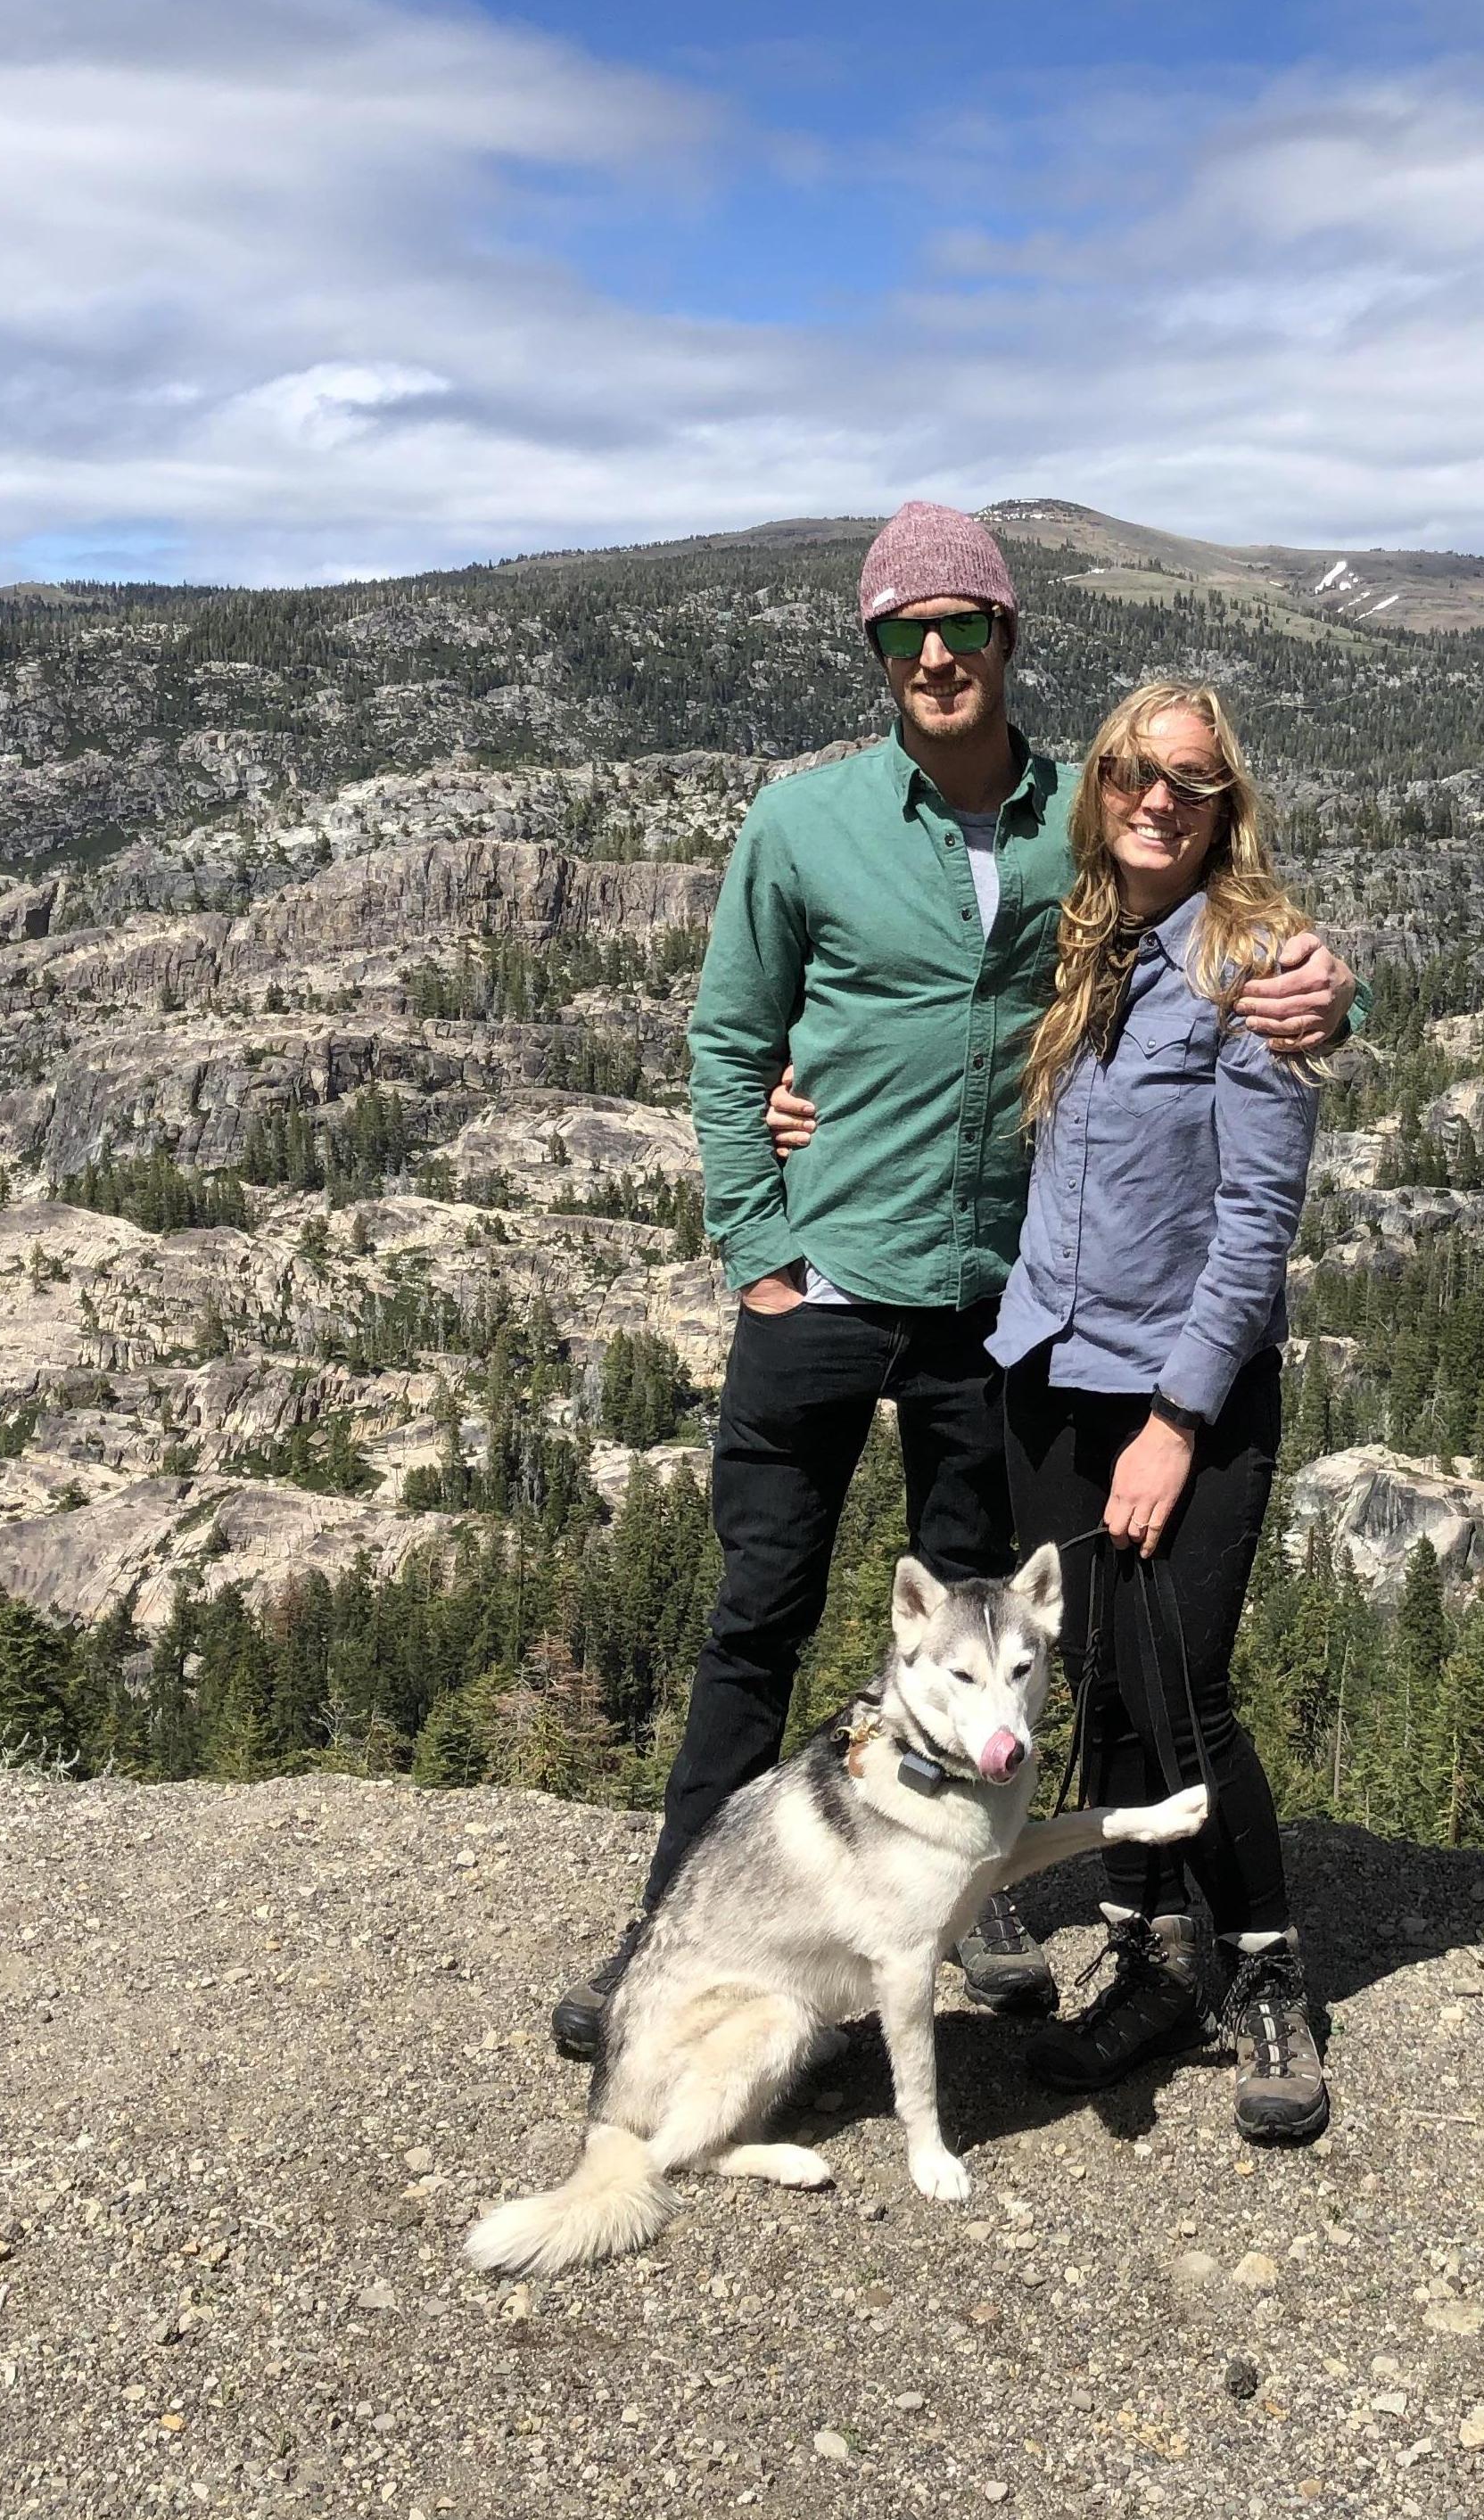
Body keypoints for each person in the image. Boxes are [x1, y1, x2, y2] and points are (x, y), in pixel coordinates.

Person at [549, 506, 1357, 2059]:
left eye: (963, 624)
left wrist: (1339, 983)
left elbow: (1225, 919)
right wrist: (760, 1248)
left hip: (999, 1326)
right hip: (832, 1283)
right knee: (757, 1624)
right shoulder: (802, 824)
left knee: (979, 1630)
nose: (934, 653)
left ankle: (966, 1900)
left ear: (1006, 637)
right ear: (872, 651)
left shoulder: (1086, 810)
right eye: (901, 630)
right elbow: (731, 1042)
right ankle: (670, 1934)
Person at [768, 679, 1332, 2145]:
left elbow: (1259, 1222)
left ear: (1228, 806)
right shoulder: (1077, 941)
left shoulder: (1252, 964)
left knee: (1182, 1689)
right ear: (1102, 790)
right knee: (1099, 1681)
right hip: (1046, 1379)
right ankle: (1144, 1962)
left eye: (1192, 782)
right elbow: (913, 1018)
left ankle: (1265, 1970)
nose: (1160, 799)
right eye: (1137, 773)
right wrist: (802, 1088)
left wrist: (1175, 1422)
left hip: (1175, 1397)